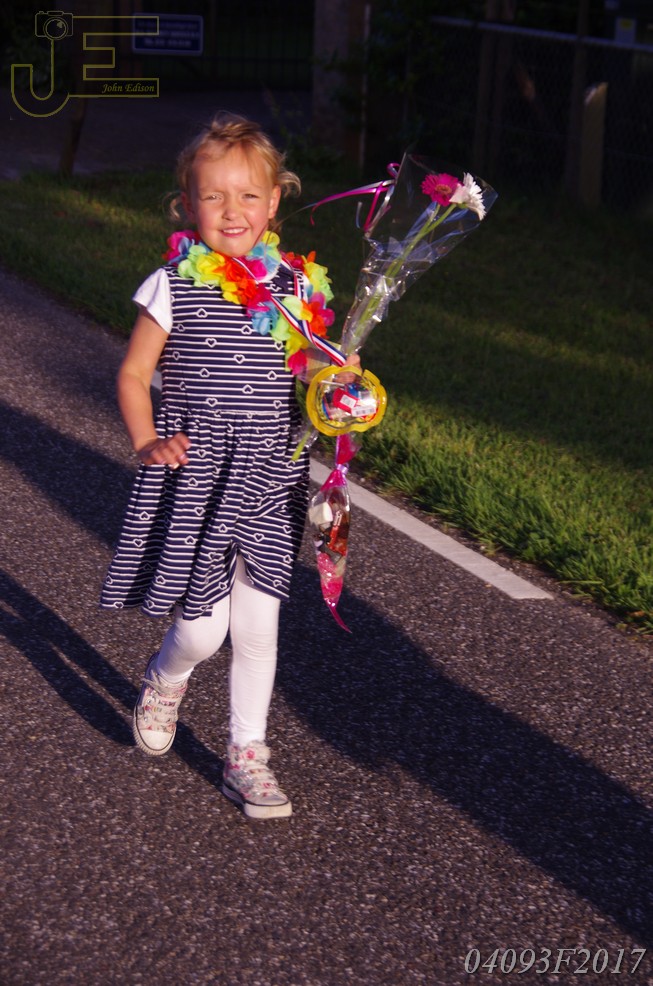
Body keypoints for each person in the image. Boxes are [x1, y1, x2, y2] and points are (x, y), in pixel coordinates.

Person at [101, 113, 356, 820]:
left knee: (258, 626)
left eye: (248, 196)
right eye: (213, 196)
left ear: (274, 203)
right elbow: (133, 374)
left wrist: (340, 379)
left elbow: (309, 373)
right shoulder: (170, 284)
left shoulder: (295, 288)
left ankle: (247, 754)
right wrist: (146, 442)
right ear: (187, 203)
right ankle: (167, 675)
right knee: (202, 631)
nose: (232, 211)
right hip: (198, 480)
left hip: (270, 477)